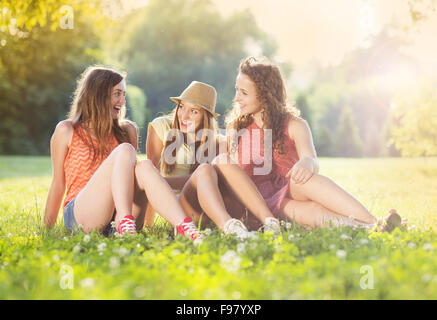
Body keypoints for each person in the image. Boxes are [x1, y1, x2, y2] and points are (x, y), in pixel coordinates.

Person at [223, 56, 401, 230]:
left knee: (308, 180)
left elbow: (311, 159)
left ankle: (374, 222)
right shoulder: (236, 129)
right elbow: (229, 172)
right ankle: (373, 227)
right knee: (313, 211)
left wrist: (308, 161)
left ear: (265, 95)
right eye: (237, 90)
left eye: (244, 93)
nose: (237, 98)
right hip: (258, 200)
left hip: (291, 188)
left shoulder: (294, 125)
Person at [44, 66, 201, 239]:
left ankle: (186, 228)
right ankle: (124, 223)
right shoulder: (67, 130)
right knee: (125, 150)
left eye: (124, 94)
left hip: (119, 215)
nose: (122, 101)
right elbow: (58, 184)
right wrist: (47, 230)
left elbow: (135, 181)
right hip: (82, 214)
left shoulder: (128, 130)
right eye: (117, 94)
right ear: (99, 95)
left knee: (145, 166)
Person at [146, 81, 281, 238]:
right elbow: (151, 179)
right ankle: (229, 227)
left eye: (193, 111)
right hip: (180, 208)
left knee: (221, 161)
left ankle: (270, 222)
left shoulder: (218, 142)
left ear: (205, 115)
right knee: (205, 170)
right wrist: (147, 225)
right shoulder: (162, 126)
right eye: (181, 107)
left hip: (213, 207)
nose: (184, 116)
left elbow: (226, 181)